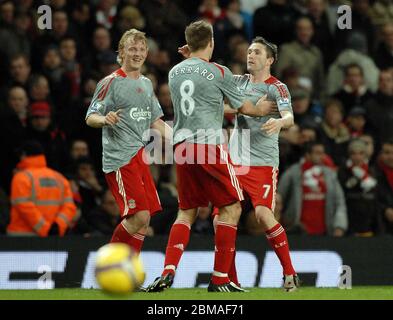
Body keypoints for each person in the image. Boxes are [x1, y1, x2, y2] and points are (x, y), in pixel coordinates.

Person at [146, 20, 273, 293]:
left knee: (186, 211)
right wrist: (262, 109)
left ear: (188, 44)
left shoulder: (175, 72)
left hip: (182, 148)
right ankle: (219, 279)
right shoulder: (219, 71)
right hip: (209, 146)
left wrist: (190, 56)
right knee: (233, 208)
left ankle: (168, 271)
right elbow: (246, 108)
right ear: (212, 42)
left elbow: (200, 88)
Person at [212, 36, 299, 291]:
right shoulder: (237, 82)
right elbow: (216, 106)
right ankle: (231, 280)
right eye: (249, 51)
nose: (251, 55)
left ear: (270, 60)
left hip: (262, 162)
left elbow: (290, 116)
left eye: (257, 52)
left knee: (263, 215)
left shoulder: (277, 87)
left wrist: (280, 122)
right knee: (221, 220)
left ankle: (290, 274)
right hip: (235, 161)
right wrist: (247, 109)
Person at [85, 29, 172, 257]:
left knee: (144, 221)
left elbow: (156, 122)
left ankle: (128, 272)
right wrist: (104, 119)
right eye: (132, 49)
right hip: (120, 158)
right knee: (140, 217)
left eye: (142, 49)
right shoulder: (110, 82)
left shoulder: (146, 83)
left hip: (139, 157)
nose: (138, 53)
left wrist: (183, 139)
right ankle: (108, 264)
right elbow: (90, 116)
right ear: (121, 52)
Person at [7, 140, 78, 236]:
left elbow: (24, 207)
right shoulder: (59, 178)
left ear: (23, 155)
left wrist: (45, 229)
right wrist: (57, 226)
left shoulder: (21, 177)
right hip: (53, 238)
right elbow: (69, 207)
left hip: (22, 237)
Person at [278, 141, 348, 236]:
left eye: (323, 153)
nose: (322, 156)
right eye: (318, 153)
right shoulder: (293, 173)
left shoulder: (329, 175)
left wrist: (339, 226)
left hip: (325, 231)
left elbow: (339, 202)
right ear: (308, 155)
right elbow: (279, 198)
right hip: (297, 232)